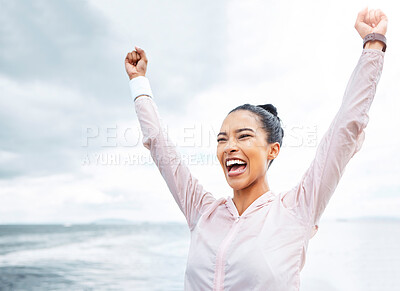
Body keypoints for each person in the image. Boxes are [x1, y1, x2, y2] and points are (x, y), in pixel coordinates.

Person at [124, 7, 388, 291]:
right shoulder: (203, 212)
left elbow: (345, 129)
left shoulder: (296, 211)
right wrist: (139, 82)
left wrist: (373, 44)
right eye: (222, 139)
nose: (229, 147)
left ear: (272, 150)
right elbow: (160, 146)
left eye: (243, 136)